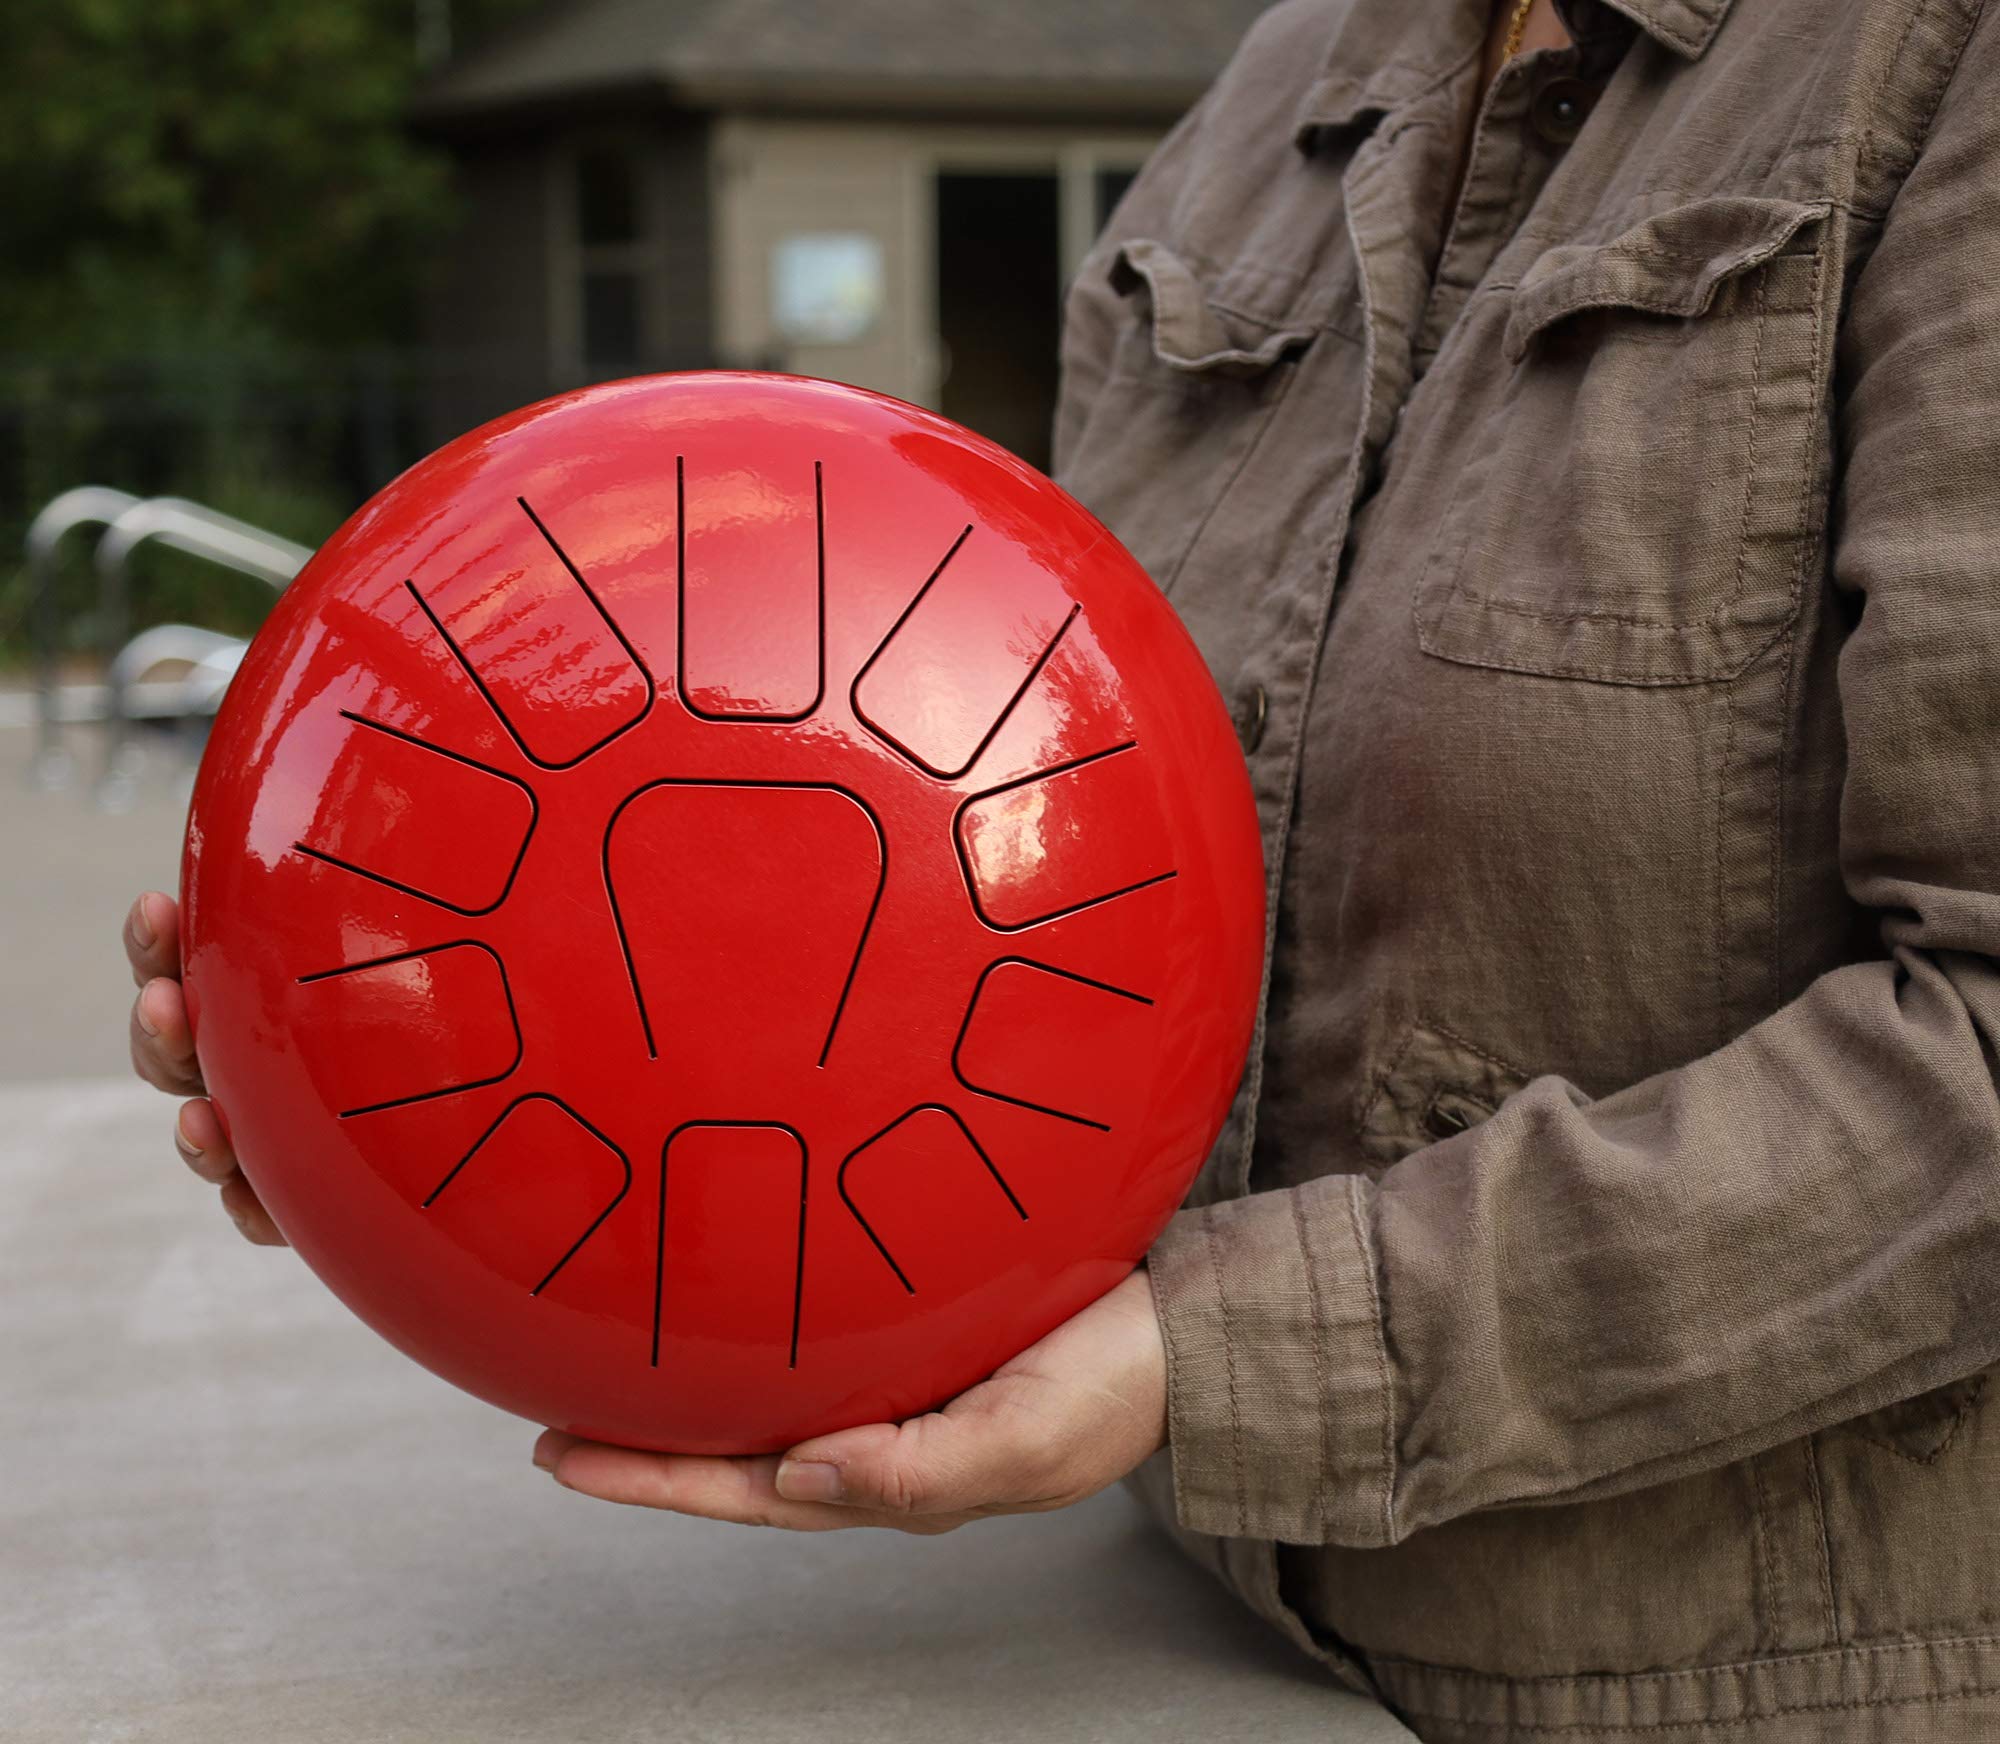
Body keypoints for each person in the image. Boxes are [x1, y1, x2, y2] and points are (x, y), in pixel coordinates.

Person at [125, 0, 2000, 1735]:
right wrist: (411, 1116)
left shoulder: (1933, 79)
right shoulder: (1294, 89)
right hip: (1193, 1642)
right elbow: (1039, 849)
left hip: (1757, 1681)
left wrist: (1238, 1354)